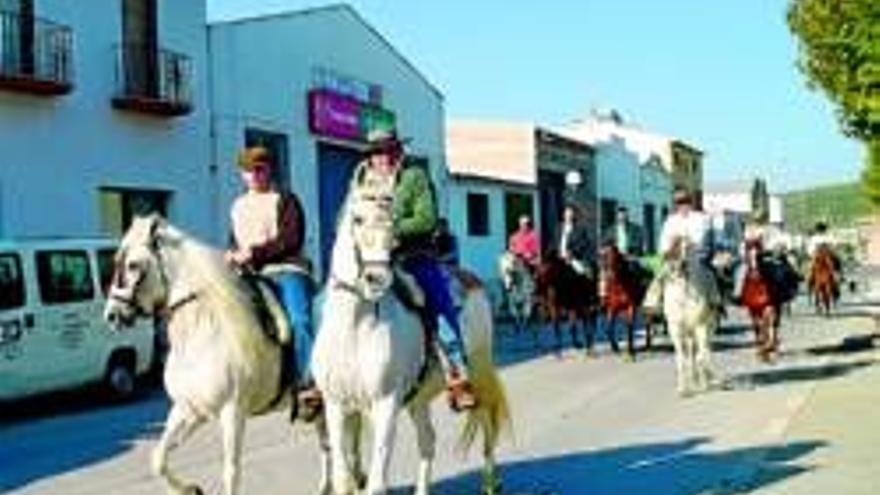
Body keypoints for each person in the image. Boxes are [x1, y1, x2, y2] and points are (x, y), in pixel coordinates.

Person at [362, 129, 477, 412]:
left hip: (411, 254)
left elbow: (426, 218)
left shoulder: (415, 177)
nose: (383, 158)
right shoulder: (363, 182)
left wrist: (393, 230)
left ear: (398, 151)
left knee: (438, 301)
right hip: (372, 255)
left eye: (388, 150)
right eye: (377, 152)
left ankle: (458, 374)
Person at [225, 146, 320, 422]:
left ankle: (308, 384)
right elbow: (235, 240)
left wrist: (253, 253)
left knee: (299, 320)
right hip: (251, 274)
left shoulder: (286, 199)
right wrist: (231, 253)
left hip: (286, 269)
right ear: (241, 174)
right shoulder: (237, 206)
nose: (253, 174)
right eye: (248, 170)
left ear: (269, 170)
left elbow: (291, 240)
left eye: (259, 169)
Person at [644, 188, 722, 312]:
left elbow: (701, 238)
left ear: (690, 203)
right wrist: (669, 249)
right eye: (679, 203)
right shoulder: (670, 221)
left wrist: (689, 241)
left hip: (695, 257)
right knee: (659, 276)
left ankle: (715, 302)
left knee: (710, 275)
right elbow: (663, 242)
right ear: (675, 205)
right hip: (674, 258)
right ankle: (651, 304)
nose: (682, 206)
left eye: (685, 202)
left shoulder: (700, 219)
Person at [557, 204, 595, 278]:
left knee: (583, 274)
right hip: (558, 259)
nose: (568, 217)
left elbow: (584, 243)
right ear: (563, 215)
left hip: (573, 259)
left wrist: (572, 252)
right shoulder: (558, 228)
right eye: (567, 214)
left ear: (574, 216)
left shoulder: (580, 229)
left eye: (570, 215)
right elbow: (553, 244)